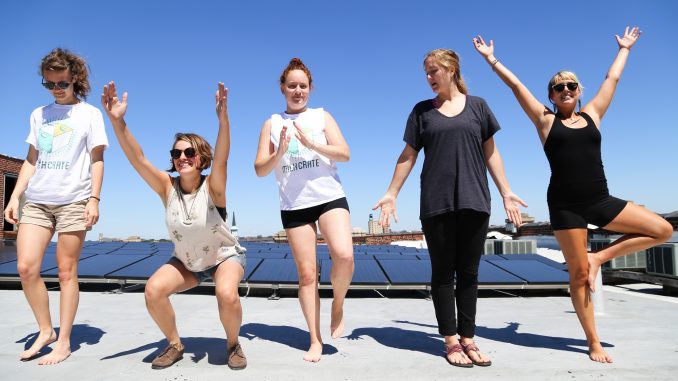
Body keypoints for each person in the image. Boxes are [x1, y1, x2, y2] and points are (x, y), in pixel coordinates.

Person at [472, 26, 673, 363]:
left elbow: (612, 79)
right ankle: (593, 340)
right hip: (565, 206)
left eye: (571, 85)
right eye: (558, 86)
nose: (565, 89)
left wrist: (625, 49)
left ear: (579, 91)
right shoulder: (545, 121)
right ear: (551, 95)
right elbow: (516, 86)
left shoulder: (593, 114)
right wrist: (492, 60)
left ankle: (599, 258)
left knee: (662, 229)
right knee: (579, 277)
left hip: (600, 199)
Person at [373, 49, 526, 368]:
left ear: (452, 69)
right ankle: (451, 342)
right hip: (436, 203)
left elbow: (491, 154)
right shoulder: (421, 112)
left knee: (469, 273)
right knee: (443, 274)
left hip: (475, 200)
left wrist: (506, 192)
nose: (429, 78)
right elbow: (408, 155)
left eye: (433, 71)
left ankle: (468, 338)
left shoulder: (478, 107)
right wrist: (391, 192)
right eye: (426, 73)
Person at [100, 82, 248, 370]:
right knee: (153, 290)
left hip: (223, 257)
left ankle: (233, 344)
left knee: (226, 293)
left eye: (189, 152)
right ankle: (175, 344)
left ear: (201, 158)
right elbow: (138, 158)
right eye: (176, 153)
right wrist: (118, 122)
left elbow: (223, 158)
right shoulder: (166, 188)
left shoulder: (213, 187)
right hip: (188, 262)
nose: (182, 157)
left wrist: (223, 119)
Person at [3, 48, 108, 365]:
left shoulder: (89, 115)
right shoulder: (39, 114)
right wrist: (14, 197)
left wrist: (94, 198)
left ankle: (63, 342)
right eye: (49, 84)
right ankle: (46, 329)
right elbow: (31, 160)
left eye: (61, 83)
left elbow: (97, 159)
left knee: (66, 272)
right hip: (37, 200)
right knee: (26, 268)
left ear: (74, 78)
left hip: (74, 200)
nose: (56, 89)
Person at [254, 58, 354, 362]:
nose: (298, 91)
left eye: (303, 86)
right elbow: (260, 169)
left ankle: (338, 302)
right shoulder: (272, 123)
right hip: (294, 205)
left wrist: (313, 143)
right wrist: (280, 152)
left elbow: (345, 153)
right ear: (283, 88)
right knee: (308, 275)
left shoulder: (322, 116)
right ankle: (315, 339)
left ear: (310, 88)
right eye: (292, 85)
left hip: (328, 196)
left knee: (344, 255)